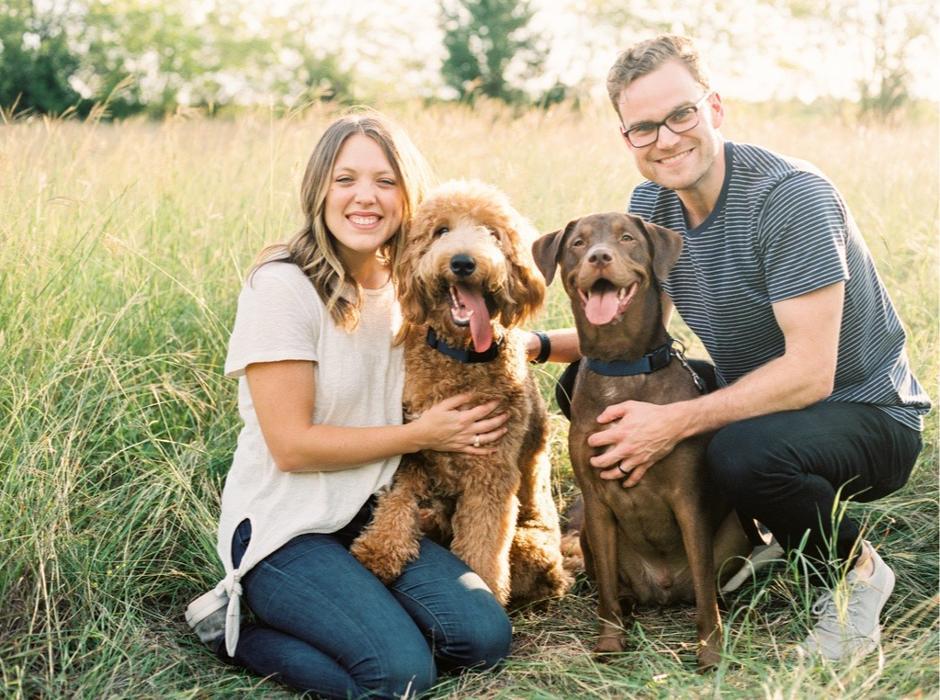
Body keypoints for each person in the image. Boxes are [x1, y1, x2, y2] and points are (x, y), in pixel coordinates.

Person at [551, 34, 930, 662]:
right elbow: (626, 334)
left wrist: (670, 423)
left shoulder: (789, 199)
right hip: (771, 400)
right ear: (627, 139)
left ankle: (856, 575)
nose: (667, 139)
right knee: (585, 385)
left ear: (715, 108)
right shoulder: (649, 208)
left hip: (865, 411)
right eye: (644, 127)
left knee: (739, 453)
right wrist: (536, 345)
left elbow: (810, 375)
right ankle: (757, 530)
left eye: (681, 115)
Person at [184, 110, 515, 699]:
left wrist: (559, 345)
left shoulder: (411, 287)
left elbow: (497, 329)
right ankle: (238, 632)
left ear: (407, 196)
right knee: (400, 677)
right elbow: (291, 447)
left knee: (484, 636)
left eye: (385, 181)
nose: (366, 197)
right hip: (286, 528)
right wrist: (424, 436)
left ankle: (360, 615)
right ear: (319, 189)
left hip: (367, 513)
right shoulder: (282, 287)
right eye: (346, 179)